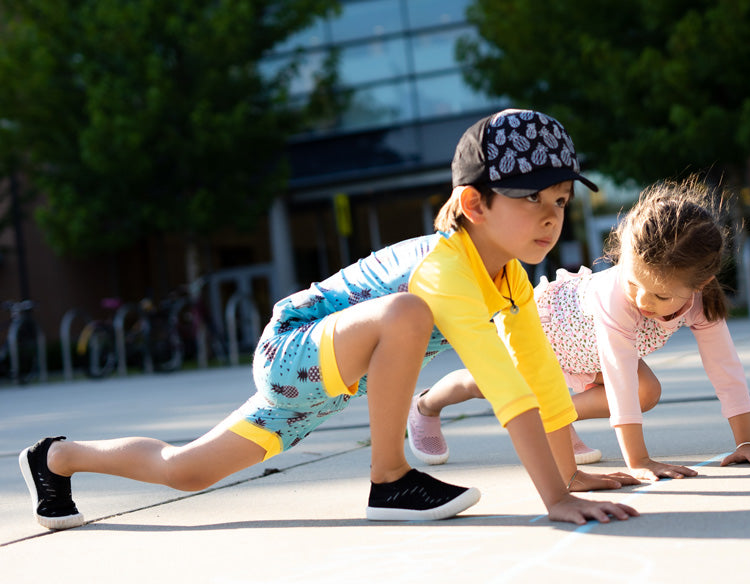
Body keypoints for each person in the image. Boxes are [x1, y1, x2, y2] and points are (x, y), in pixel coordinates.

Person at [20, 108, 638, 532]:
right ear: (474, 203)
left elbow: (536, 375)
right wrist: (553, 498)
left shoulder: (510, 281)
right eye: (533, 199)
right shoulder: (447, 267)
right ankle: (390, 480)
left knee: (186, 470)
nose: (552, 217)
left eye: (560, 201)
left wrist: (570, 471)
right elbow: (504, 387)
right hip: (294, 349)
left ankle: (57, 458)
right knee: (406, 311)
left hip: (320, 385)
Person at [408, 178, 750, 480]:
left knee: (649, 391)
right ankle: (426, 403)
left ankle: (555, 417)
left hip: (588, 354)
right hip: (545, 330)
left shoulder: (700, 302)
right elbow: (619, 375)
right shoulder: (616, 298)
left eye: (660, 296)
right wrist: (638, 459)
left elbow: (725, 368)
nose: (643, 301)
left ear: (702, 283)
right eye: (633, 282)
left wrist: (746, 442)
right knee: (487, 384)